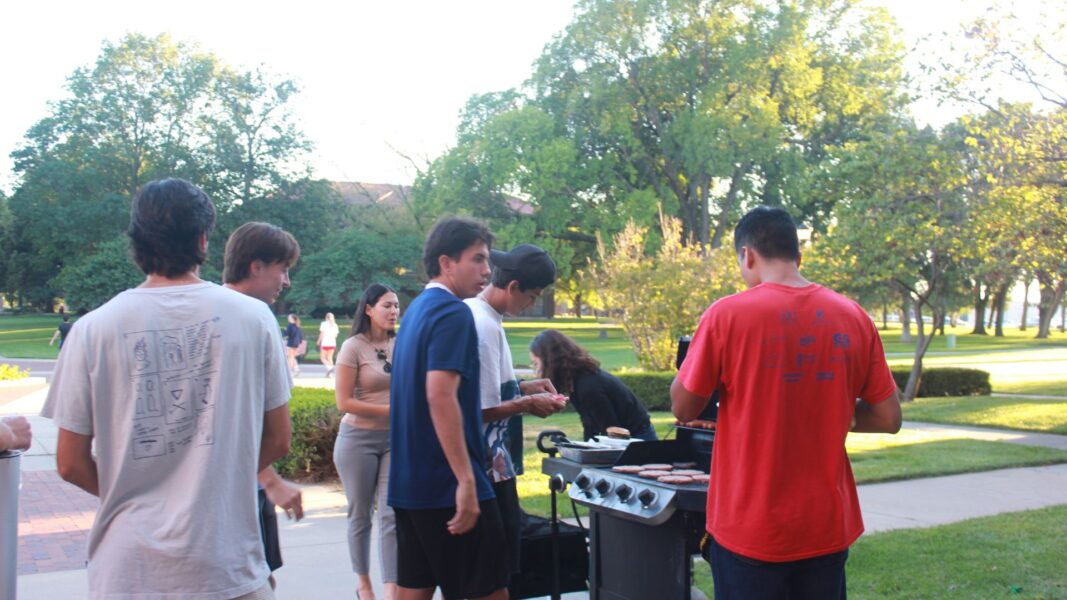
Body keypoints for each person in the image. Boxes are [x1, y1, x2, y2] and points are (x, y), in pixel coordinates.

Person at [41, 178, 292, 599]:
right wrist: (216, 483)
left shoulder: (91, 329)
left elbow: (69, 462)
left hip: (128, 570)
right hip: (224, 564)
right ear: (202, 239)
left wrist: (134, 494)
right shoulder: (253, 318)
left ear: (137, 241)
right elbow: (278, 439)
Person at [671, 206, 902, 600]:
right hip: (825, 525)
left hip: (751, 525)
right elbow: (888, 417)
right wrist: (832, 413)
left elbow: (684, 407)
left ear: (748, 255)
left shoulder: (727, 315)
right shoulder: (853, 316)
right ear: (799, 255)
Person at [388, 216, 509, 600]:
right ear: (446, 263)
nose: (487, 271)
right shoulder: (452, 312)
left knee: (413, 592)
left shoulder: (416, 311)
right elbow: (439, 395)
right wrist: (467, 480)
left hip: (409, 485)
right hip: (448, 486)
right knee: (489, 592)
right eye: (477, 259)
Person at [464, 244, 566, 587]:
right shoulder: (484, 326)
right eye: (532, 295)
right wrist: (528, 404)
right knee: (493, 576)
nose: (532, 303)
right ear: (512, 287)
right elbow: (478, 409)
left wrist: (523, 387)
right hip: (485, 469)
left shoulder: (483, 315)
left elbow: (484, 387)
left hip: (493, 467)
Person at [223, 221, 305, 587]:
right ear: (256, 266)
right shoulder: (254, 320)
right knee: (256, 582)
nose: (285, 281)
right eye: (282, 269)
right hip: (237, 492)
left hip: (237, 488)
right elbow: (273, 435)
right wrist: (269, 479)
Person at [333, 284, 401, 600]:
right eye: (387, 305)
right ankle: (364, 584)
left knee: (390, 514)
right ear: (369, 309)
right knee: (361, 513)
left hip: (393, 440)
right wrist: (390, 409)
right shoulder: (352, 347)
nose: (394, 311)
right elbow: (343, 402)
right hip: (357, 440)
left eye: (397, 306)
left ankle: (391, 589)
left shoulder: (400, 344)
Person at [529, 330, 656, 441]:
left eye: (536, 364)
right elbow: (590, 424)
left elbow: (613, 433)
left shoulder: (589, 386)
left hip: (636, 439)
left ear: (550, 362)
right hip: (629, 436)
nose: (536, 369)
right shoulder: (577, 380)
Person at [317, 312, 340, 377]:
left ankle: (330, 368)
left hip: (325, 342)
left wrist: (319, 341)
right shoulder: (335, 325)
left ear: (326, 318)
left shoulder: (324, 324)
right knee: (330, 357)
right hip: (332, 343)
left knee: (322, 358)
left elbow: (322, 334)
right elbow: (336, 336)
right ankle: (330, 374)